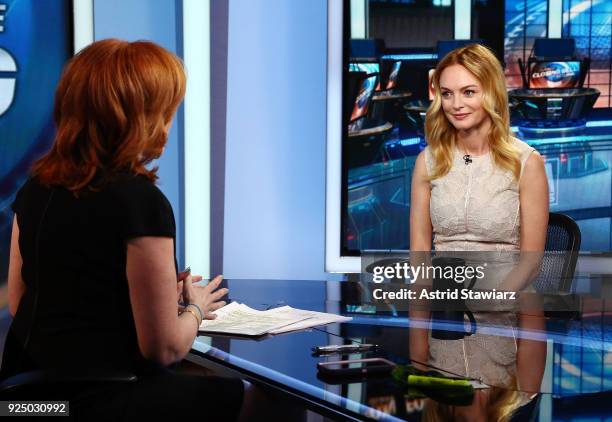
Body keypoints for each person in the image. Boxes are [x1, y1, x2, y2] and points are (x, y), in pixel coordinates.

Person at [1, 39, 251, 421]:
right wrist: (196, 308)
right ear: (143, 117)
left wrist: (152, 299)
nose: (170, 120)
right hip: (95, 402)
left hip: (25, 404)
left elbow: (24, 305)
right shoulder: (140, 202)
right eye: (167, 110)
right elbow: (163, 349)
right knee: (260, 399)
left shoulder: (35, 188)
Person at [408, 44, 548, 421]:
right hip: (445, 308)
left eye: (469, 92)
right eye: (448, 93)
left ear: (491, 92)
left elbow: (532, 261)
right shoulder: (428, 161)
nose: (456, 104)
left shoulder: (526, 162)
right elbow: (420, 250)